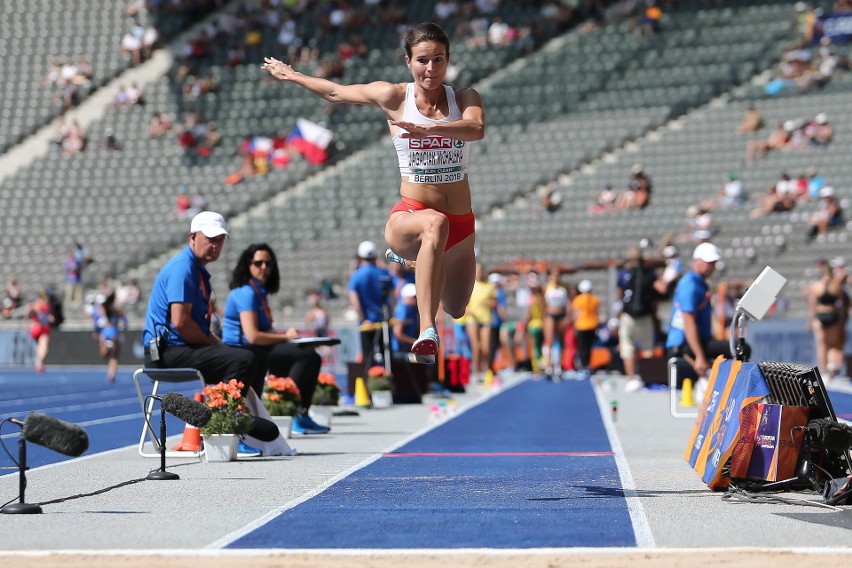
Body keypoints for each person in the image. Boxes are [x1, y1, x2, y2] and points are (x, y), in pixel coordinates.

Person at [263, 22, 485, 365]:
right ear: (408, 62)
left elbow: (476, 128)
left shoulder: (465, 98)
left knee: (456, 308)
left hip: (462, 226)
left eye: (439, 60)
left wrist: (429, 129)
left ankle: (416, 259)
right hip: (412, 215)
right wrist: (294, 76)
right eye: (423, 60)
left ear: (448, 60)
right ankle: (428, 331)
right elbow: (337, 92)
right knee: (434, 225)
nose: (431, 69)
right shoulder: (395, 97)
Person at [142, 211, 276, 444]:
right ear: (192, 237)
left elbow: (195, 328)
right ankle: (226, 428)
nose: (215, 245)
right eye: (210, 239)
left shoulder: (197, 270)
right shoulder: (183, 269)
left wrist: (217, 344)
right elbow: (181, 323)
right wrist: (213, 344)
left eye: (220, 240)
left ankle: (242, 423)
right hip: (165, 353)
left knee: (255, 356)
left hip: (181, 347)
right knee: (242, 360)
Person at [222, 243, 330, 435]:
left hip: (258, 349)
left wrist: (284, 338)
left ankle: (294, 412)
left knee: (302, 354)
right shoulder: (246, 293)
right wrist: (284, 337)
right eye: (259, 263)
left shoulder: (259, 291)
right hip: (243, 350)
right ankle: (291, 412)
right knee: (307, 356)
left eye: (268, 264)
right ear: (248, 265)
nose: (264, 267)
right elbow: (253, 336)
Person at [665, 242, 736, 378]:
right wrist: (700, 356)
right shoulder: (690, 285)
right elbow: (688, 322)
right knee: (739, 349)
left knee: (735, 347)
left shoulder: (699, 283)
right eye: (708, 262)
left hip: (696, 341)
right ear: (696, 261)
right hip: (683, 345)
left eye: (714, 263)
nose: (712, 267)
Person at [617, 247, 658, 387]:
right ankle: (647, 378)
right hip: (645, 315)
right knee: (647, 347)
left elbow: (619, 294)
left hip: (628, 315)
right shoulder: (649, 274)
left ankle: (632, 378)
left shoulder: (624, 273)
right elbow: (655, 296)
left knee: (627, 347)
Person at [348, 240, 392, 367]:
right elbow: (393, 297)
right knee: (387, 357)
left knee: (368, 359)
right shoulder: (384, 273)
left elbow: (354, 299)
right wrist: (390, 315)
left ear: (360, 257)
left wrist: (363, 319)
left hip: (366, 324)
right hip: (383, 322)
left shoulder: (357, 275)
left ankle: (371, 385)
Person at [807, 257, 849, 380]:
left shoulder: (816, 286)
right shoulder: (836, 286)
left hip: (820, 316)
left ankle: (824, 371)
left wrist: (810, 321)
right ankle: (831, 368)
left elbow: (812, 306)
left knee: (821, 345)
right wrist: (841, 320)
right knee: (833, 345)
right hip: (833, 315)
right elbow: (841, 306)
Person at [465, 263, 496, 380]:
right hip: (472, 318)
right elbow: (463, 301)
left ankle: (486, 368)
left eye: (480, 270)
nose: (478, 273)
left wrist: (488, 303)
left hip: (485, 318)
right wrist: (467, 310)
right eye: (476, 270)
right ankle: (476, 370)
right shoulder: (469, 283)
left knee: (485, 347)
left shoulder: (489, 286)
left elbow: (494, 302)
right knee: (476, 346)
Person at [93, 292, 127, 383]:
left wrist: (96, 331)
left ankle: (111, 374)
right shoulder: (115, 310)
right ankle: (111, 374)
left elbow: (96, 323)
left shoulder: (100, 311)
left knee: (105, 355)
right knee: (115, 356)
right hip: (113, 333)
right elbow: (124, 320)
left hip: (105, 333)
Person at [542, 267, 570, 376]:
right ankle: (548, 365)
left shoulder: (564, 288)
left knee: (560, 341)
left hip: (561, 314)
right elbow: (543, 304)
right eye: (554, 274)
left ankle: (559, 365)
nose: (556, 277)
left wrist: (567, 317)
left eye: (558, 274)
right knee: (549, 340)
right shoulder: (546, 287)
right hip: (550, 314)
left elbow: (568, 304)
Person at [572, 279, 600, 377]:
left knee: (582, 348)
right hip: (592, 325)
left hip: (581, 326)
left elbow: (576, 314)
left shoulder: (578, 299)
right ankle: (587, 366)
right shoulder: (595, 299)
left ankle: (584, 367)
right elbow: (597, 313)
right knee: (588, 348)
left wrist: (574, 326)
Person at [26, 290, 54, 373]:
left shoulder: (43, 305)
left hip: (39, 327)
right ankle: (39, 362)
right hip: (40, 327)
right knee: (44, 345)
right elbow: (29, 310)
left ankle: (38, 362)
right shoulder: (38, 305)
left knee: (40, 345)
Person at [392, 283, 420, 353]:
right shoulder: (402, 310)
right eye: (413, 296)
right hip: (401, 349)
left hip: (409, 347)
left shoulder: (413, 309)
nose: (416, 299)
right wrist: (414, 342)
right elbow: (398, 334)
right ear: (406, 297)